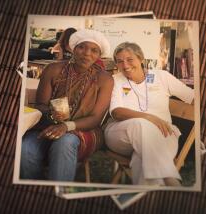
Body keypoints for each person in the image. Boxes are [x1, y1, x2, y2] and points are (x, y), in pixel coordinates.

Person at [20, 29, 113, 181]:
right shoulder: (53, 70)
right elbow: (41, 105)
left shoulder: (105, 79)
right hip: (48, 125)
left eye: (94, 50)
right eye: (82, 47)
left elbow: (96, 118)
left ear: (99, 55)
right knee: (26, 149)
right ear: (73, 48)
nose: (87, 53)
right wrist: (51, 113)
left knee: (64, 142)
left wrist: (66, 126)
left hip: (85, 129)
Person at [104, 42, 194, 186]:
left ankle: (150, 195)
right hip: (121, 135)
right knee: (141, 124)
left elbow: (194, 97)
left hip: (163, 134)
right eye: (120, 61)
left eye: (130, 59)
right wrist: (149, 117)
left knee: (141, 158)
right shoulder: (116, 80)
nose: (125, 65)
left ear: (141, 58)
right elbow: (117, 112)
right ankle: (171, 180)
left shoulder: (162, 77)